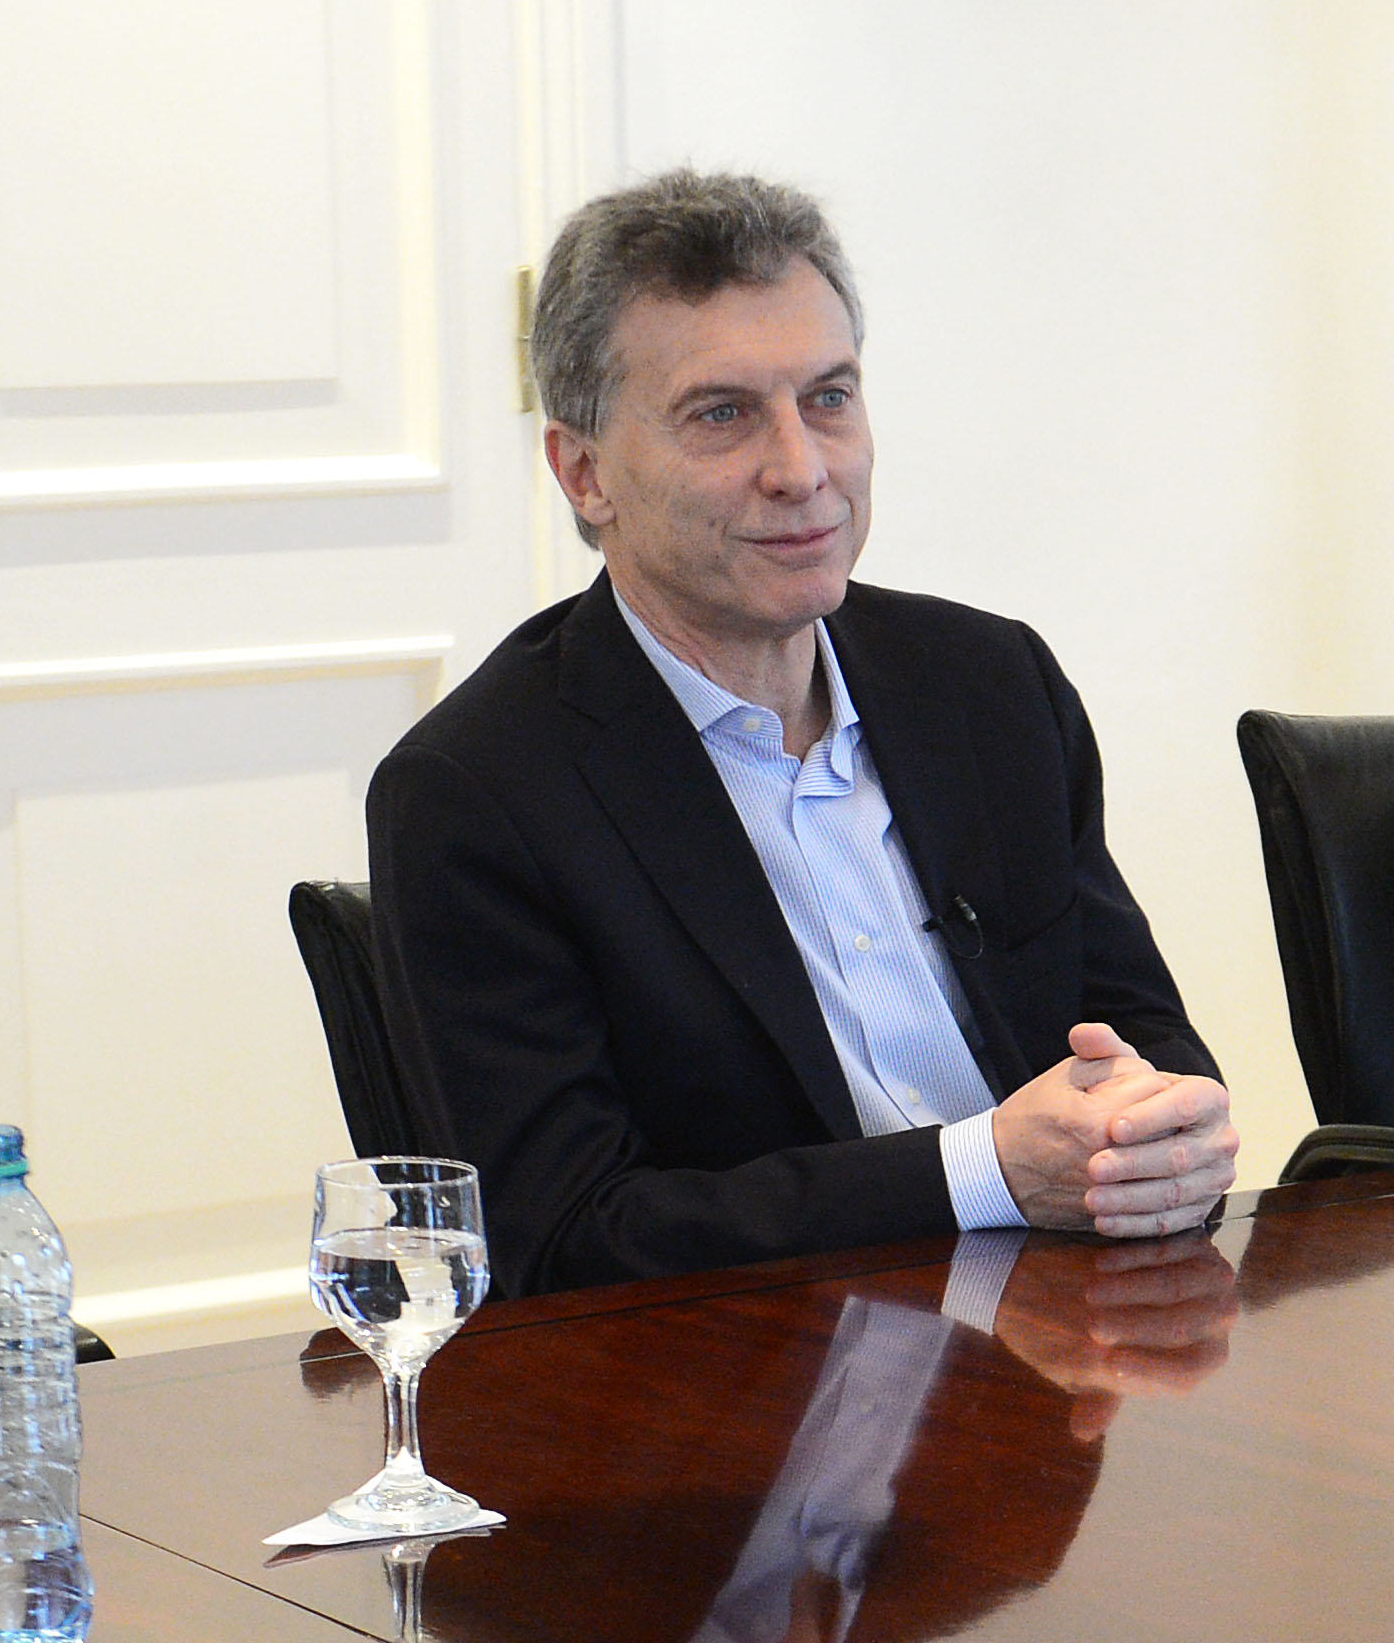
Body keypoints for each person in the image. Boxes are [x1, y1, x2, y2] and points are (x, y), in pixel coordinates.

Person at [370, 171, 1232, 1296]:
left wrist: (1168, 1134)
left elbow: (1140, 1034)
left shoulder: (989, 684)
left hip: (1065, 1339)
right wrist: (980, 1172)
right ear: (584, 473)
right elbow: (564, 1237)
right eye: (721, 415)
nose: (802, 469)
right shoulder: (477, 791)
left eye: (829, 398)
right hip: (742, 1377)